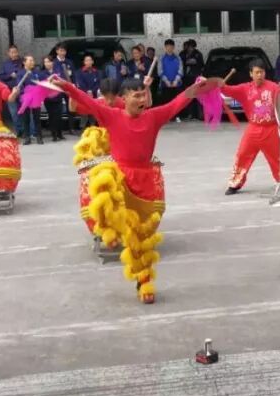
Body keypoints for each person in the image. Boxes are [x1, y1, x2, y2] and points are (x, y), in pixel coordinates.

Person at [52, 72, 208, 304]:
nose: (142, 99)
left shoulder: (153, 116)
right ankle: (108, 230)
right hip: (121, 177)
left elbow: (177, 102)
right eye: (137, 96)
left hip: (145, 182)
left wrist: (197, 87)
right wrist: (66, 86)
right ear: (124, 99)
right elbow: (86, 101)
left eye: (143, 95)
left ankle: (143, 281)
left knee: (141, 239)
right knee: (103, 181)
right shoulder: (111, 115)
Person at [219, 59, 280, 196]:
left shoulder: (274, 88)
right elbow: (227, 90)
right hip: (253, 128)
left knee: (278, 157)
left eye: (262, 72)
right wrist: (218, 85)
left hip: (271, 129)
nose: (259, 75)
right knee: (242, 155)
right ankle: (235, 183)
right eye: (257, 72)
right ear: (251, 74)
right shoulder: (245, 88)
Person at [0, 45, 25, 135]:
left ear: (18, 52)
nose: (14, 54)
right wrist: (10, 75)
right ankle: (19, 130)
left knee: (24, 111)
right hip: (10, 92)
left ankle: (26, 131)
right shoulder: (5, 64)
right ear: (8, 53)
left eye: (15, 52)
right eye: (12, 52)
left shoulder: (23, 62)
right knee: (14, 112)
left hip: (22, 91)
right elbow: (0, 77)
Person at [40, 55, 65, 141]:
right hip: (48, 98)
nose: (47, 63)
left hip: (58, 97)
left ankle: (59, 133)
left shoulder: (58, 71)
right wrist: (51, 80)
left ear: (52, 62)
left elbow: (62, 82)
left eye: (49, 61)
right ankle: (54, 134)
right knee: (51, 116)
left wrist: (56, 82)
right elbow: (44, 83)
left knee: (59, 116)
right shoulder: (42, 73)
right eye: (45, 62)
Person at [74, 54, 101, 129]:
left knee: (93, 113)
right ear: (84, 62)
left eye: (90, 60)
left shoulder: (97, 72)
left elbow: (98, 83)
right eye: (86, 60)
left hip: (94, 96)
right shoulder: (79, 72)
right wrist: (87, 91)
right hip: (83, 96)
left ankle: (93, 128)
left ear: (92, 62)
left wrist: (92, 91)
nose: (88, 62)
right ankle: (82, 129)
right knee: (84, 114)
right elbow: (79, 84)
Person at [180, 39, 205, 121]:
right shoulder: (183, 53)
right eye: (189, 47)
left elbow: (201, 65)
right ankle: (189, 114)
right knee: (188, 96)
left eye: (192, 47)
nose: (190, 48)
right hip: (186, 78)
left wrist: (194, 62)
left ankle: (199, 115)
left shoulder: (198, 54)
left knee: (197, 97)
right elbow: (181, 63)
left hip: (195, 78)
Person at [158, 40, 183, 118]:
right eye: (167, 47)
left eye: (171, 47)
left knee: (176, 101)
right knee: (166, 101)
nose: (169, 48)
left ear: (173, 47)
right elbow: (160, 71)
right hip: (165, 84)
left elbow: (181, 70)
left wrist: (176, 80)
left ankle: (177, 116)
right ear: (165, 47)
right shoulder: (161, 58)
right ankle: (167, 117)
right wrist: (166, 81)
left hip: (177, 84)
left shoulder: (178, 58)